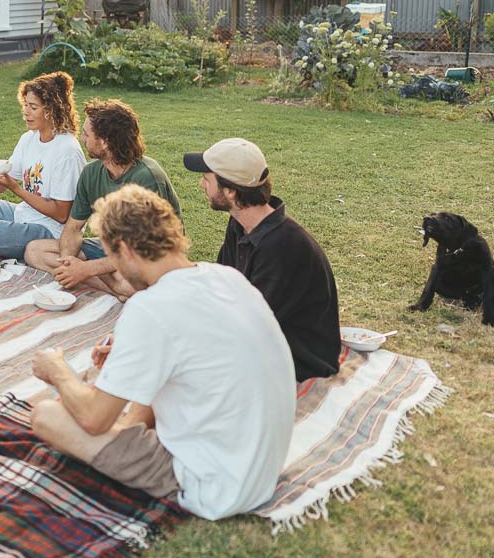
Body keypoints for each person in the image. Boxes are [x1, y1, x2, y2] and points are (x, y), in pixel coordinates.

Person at [28, 185, 295, 520]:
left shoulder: (149, 307)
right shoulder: (227, 277)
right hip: (261, 466)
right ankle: (130, 428)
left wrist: (56, 369)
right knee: (139, 390)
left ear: (125, 250)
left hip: (215, 483)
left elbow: (94, 419)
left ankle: (126, 433)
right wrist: (133, 355)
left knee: (47, 415)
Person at [184, 138, 341, 382]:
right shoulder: (240, 224)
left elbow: (247, 326)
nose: (200, 183)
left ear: (231, 191)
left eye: (207, 178)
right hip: (257, 340)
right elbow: (218, 288)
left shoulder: (283, 247)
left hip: (297, 359)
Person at [25, 98, 179, 297]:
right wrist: (67, 262)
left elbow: (144, 250)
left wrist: (85, 270)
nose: (82, 139)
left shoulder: (147, 178)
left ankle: (113, 286)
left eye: (87, 134)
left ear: (105, 142)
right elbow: (73, 228)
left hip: (149, 255)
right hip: (110, 248)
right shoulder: (91, 172)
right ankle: (116, 289)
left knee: (132, 283)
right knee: (35, 251)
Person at [0, 71, 86, 262]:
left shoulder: (67, 150)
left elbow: (61, 215)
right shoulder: (29, 138)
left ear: (52, 109)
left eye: (33, 107)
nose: (26, 112)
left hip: (50, 232)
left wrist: (16, 188)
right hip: (22, 214)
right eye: (25, 105)